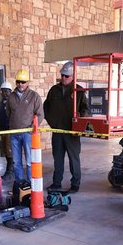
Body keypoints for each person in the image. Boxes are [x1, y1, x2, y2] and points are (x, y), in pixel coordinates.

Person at [44, 61, 88, 192]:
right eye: (62, 75)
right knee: (57, 159)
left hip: (72, 132)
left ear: (73, 76)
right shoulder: (54, 90)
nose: (63, 78)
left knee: (74, 158)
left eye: (66, 76)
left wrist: (79, 120)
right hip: (57, 131)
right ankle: (56, 183)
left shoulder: (79, 91)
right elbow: (46, 107)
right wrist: (53, 123)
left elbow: (85, 109)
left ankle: (75, 184)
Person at [7, 68, 43, 183]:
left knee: (29, 161)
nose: (20, 84)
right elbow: (9, 113)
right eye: (18, 82)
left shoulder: (34, 96)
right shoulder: (11, 97)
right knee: (16, 161)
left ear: (28, 83)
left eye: (23, 82)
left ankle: (31, 184)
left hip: (28, 134)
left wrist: (32, 127)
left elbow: (40, 114)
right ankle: (19, 185)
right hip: (14, 134)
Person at [0, 82, 14, 179]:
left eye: (6, 91)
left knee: (9, 150)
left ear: (10, 92)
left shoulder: (12, 103)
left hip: (10, 130)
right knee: (5, 151)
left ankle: (10, 170)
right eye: (2, 91)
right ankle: (10, 168)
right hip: (2, 130)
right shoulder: (0, 105)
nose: (4, 93)